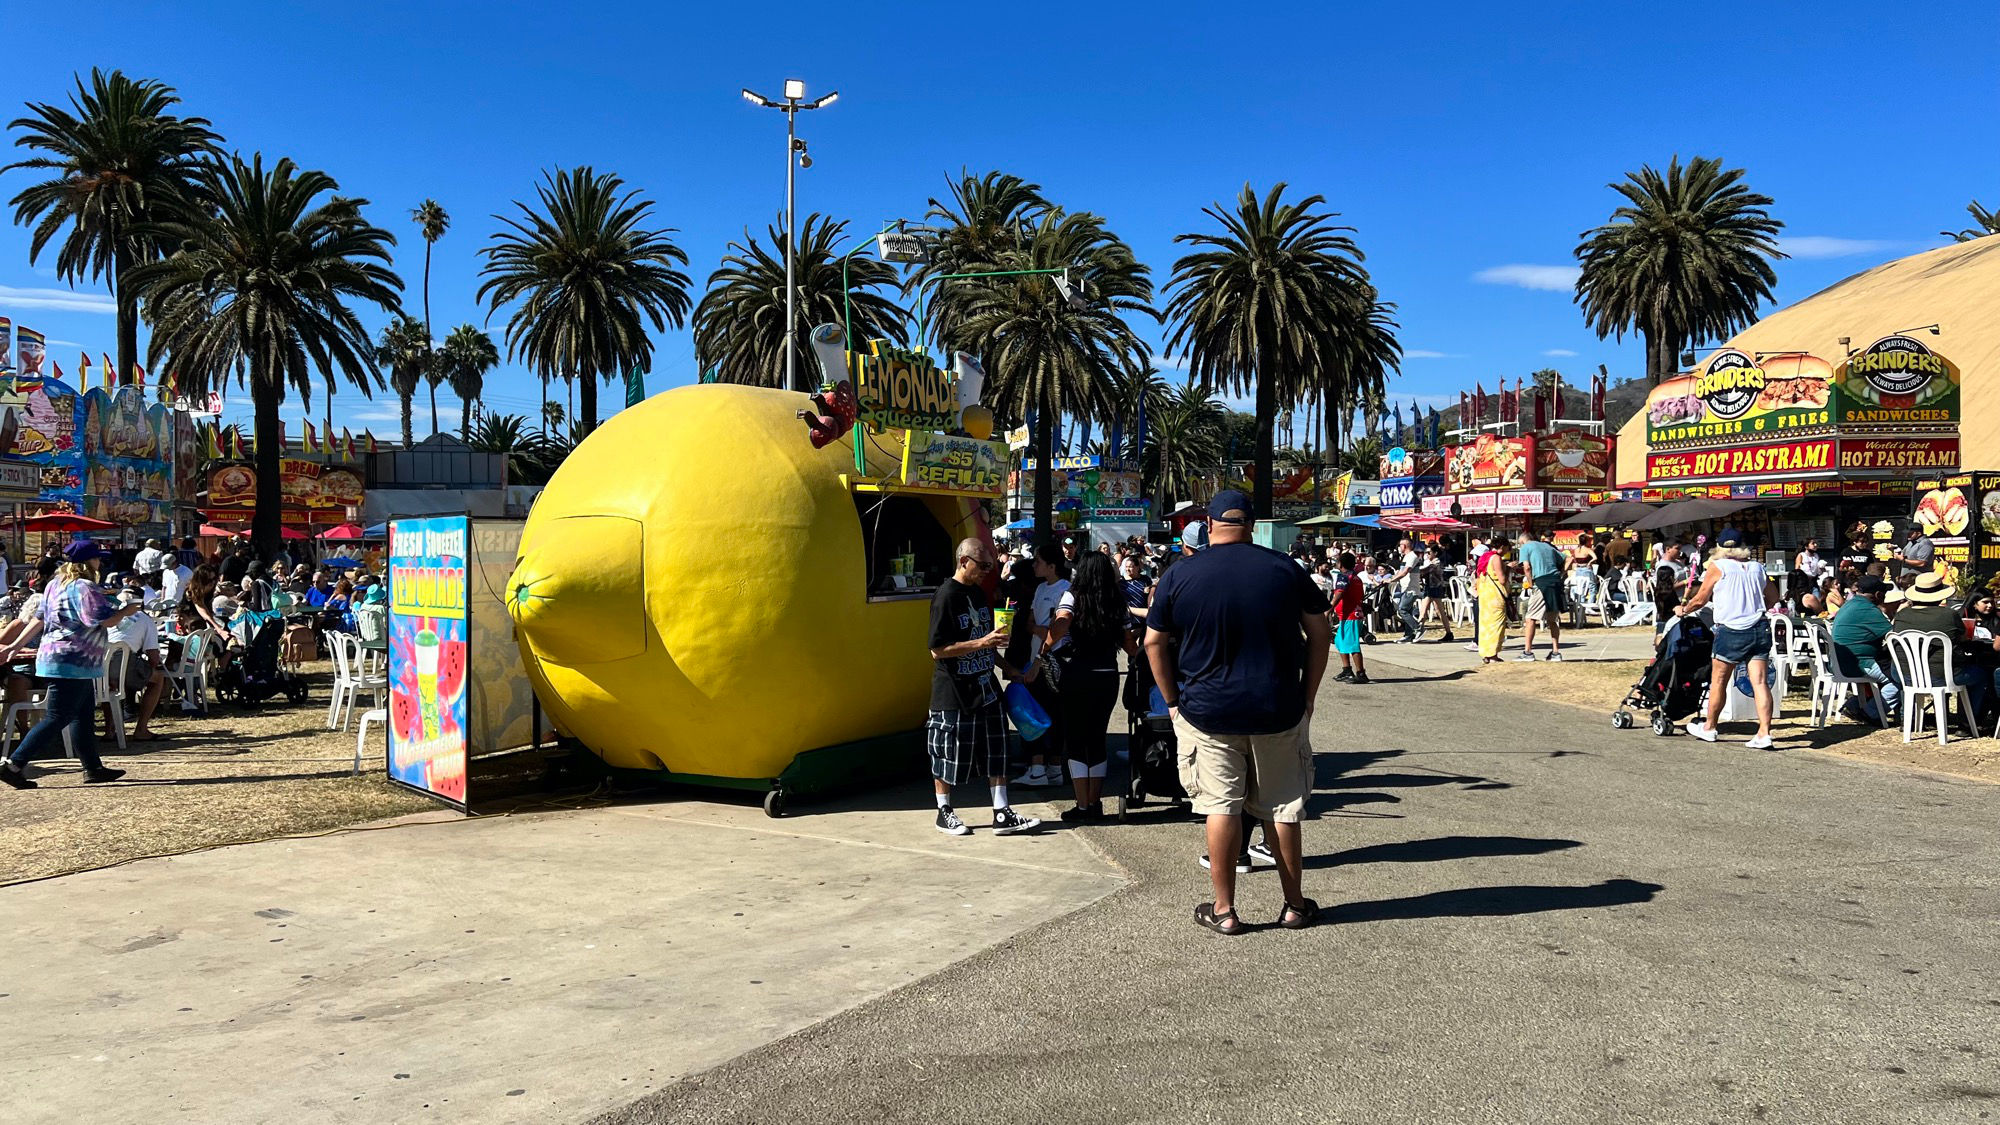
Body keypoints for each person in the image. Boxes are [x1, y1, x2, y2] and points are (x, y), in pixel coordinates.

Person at [1145, 490, 1331, 936]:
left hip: (1207, 711)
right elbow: (1320, 632)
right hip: (1278, 706)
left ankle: (1225, 910)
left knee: (1220, 806)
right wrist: (1308, 696)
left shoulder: (1180, 574)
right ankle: (1294, 906)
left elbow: (1153, 642)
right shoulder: (1285, 568)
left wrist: (1171, 702)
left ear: (1209, 525)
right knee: (1283, 808)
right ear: (1251, 524)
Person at [0, 541, 143, 789]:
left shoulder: (54, 585)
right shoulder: (86, 587)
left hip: (54, 657)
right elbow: (104, 620)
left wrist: (15, 646)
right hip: (74, 659)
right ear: (90, 562)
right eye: (98, 559)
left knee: (83, 713)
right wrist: (126, 611)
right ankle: (14, 764)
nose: (100, 563)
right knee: (58, 715)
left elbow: (38, 620)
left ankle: (92, 767)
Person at [925, 537, 1040, 837]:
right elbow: (937, 649)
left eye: (991, 565)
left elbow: (987, 646)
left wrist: (1009, 668)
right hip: (953, 690)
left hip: (986, 686)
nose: (988, 571)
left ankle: (1001, 812)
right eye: (983, 565)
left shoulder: (978, 594)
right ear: (964, 561)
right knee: (947, 752)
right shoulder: (945, 596)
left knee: (997, 749)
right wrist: (982, 642)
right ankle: (944, 811)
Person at [1043, 553, 1130, 821]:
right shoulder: (1117, 600)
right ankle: (1095, 803)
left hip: (1077, 674)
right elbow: (1128, 643)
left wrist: (1044, 649)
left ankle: (1082, 806)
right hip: (1107, 675)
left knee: (1077, 740)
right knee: (1097, 738)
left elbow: (1063, 621)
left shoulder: (1073, 595)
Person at [1676, 538, 1778, 748]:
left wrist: (1683, 609)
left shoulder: (1718, 566)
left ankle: (1710, 727)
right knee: (1759, 682)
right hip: (1758, 626)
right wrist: (1757, 607)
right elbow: (1773, 597)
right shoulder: (1757, 567)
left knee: (1720, 680)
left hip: (1731, 629)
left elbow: (1701, 598)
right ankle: (1764, 733)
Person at [1011, 543, 1071, 790]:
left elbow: (1058, 629)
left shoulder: (1066, 590)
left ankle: (1050, 768)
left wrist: (1046, 632)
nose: (1034, 565)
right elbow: (1032, 623)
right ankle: (1038, 766)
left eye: (1038, 561)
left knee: (1054, 713)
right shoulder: (1039, 590)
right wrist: (1042, 630)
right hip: (1036, 657)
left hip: (1055, 661)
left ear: (1052, 565)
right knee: (1033, 711)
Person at [1887, 572, 1985, 715]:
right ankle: (1967, 723)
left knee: (1907, 667)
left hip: (1904, 674)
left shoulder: (1901, 615)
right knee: (1981, 674)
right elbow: (1963, 638)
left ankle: (1907, 717)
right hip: (1944, 675)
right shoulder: (1948, 615)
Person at [1831, 575, 1899, 724]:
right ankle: (1870, 712)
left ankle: (1854, 706)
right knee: (1902, 677)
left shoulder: (1850, 604)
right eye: (1884, 594)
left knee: (1890, 671)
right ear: (1878, 595)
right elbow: (1895, 636)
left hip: (1841, 662)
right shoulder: (1868, 609)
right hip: (1858, 665)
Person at [107, 589, 167, 741]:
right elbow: (154, 656)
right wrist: (148, 669)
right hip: (125, 659)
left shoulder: (107, 617)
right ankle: (141, 729)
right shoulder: (144, 619)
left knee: (108, 686)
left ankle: (110, 729)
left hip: (100, 662)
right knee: (157, 679)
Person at [1515, 528, 1566, 661]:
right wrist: (1561, 575)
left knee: (1530, 618)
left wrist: (1531, 583)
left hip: (1541, 583)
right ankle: (1555, 652)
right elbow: (1567, 558)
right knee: (1552, 620)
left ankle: (1527, 652)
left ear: (1522, 541)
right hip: (1555, 582)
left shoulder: (1526, 548)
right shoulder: (1546, 546)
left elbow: (1526, 567)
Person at [1330, 552, 1370, 684]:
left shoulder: (1344, 576)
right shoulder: (1356, 577)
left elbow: (1339, 593)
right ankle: (1347, 670)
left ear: (1340, 564)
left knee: (1352, 645)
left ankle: (1361, 673)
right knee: (1340, 641)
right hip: (1348, 615)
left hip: (1351, 615)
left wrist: (1329, 609)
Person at [1474, 535, 1510, 663]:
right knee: (1497, 625)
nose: (1507, 551)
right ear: (1502, 546)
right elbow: (1502, 579)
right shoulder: (1496, 558)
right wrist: (1509, 569)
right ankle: (1493, 654)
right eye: (1507, 548)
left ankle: (1485, 653)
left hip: (1484, 595)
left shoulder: (1485, 557)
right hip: (1495, 596)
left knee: (1485, 625)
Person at [1391, 538, 1423, 643]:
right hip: (1405, 588)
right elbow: (1400, 572)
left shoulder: (1412, 556)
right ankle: (1408, 635)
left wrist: (1391, 580)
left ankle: (1419, 628)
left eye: (1400, 545)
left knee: (1402, 610)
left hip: (1411, 589)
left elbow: (1405, 572)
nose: (1399, 547)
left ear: (1405, 546)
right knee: (1407, 611)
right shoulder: (1406, 557)